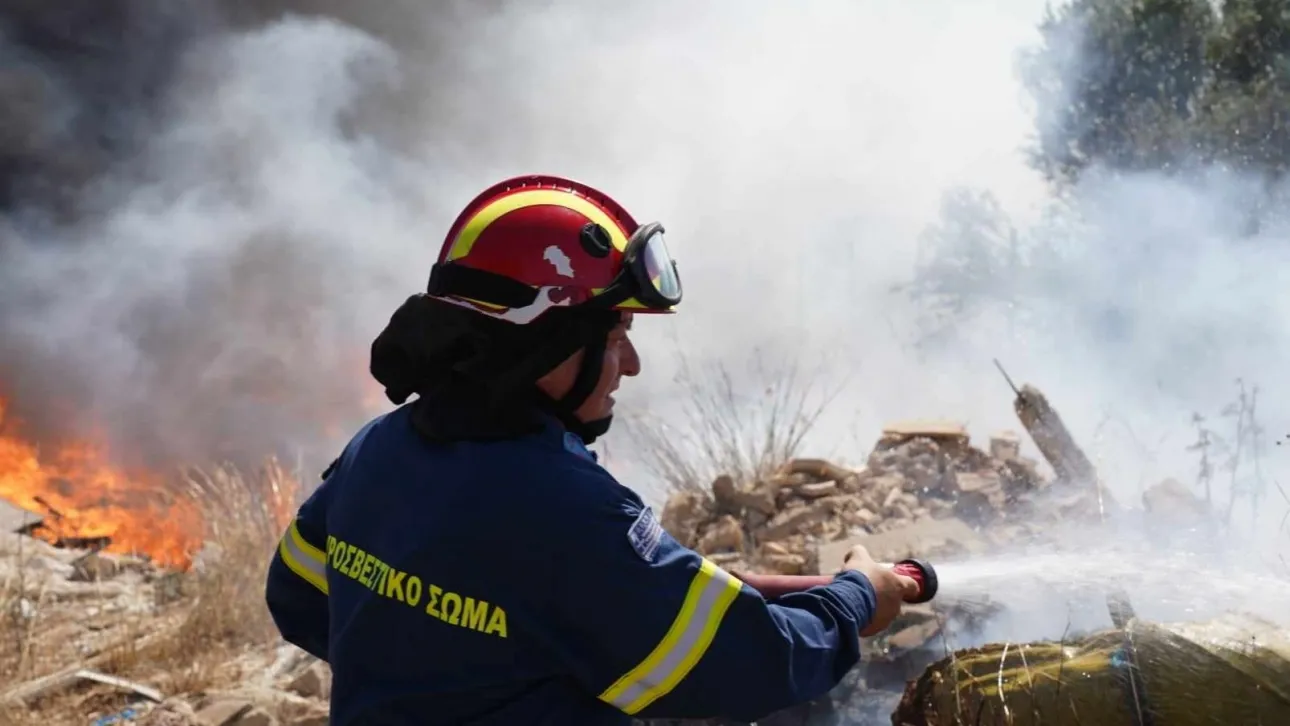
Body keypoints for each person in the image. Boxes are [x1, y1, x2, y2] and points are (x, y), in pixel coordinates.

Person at [264, 175, 919, 725]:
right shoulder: (564, 509)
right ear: (540, 343)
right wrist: (859, 595)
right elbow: (758, 665)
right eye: (614, 335)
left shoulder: (379, 448)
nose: (629, 364)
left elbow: (299, 593)